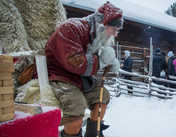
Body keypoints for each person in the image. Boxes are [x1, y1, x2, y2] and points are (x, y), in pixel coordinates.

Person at [44, 2, 122, 137]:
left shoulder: (97, 35)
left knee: (103, 95)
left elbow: (98, 55)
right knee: (76, 105)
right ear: (101, 25)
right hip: (59, 74)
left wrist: (110, 61)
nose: (115, 34)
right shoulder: (72, 27)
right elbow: (74, 62)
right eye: (113, 29)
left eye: (117, 31)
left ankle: (94, 133)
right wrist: (101, 61)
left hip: (79, 78)